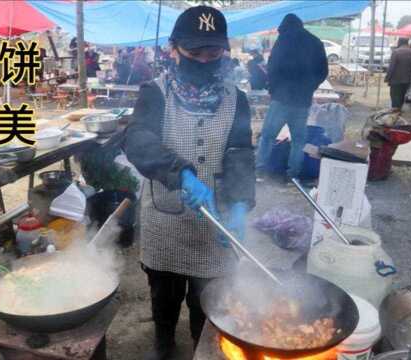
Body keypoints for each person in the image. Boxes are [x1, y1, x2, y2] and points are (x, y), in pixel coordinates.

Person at [123, 6, 255, 359]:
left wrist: (240, 205)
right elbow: (137, 139)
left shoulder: (235, 99)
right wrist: (181, 173)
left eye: (213, 53)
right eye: (194, 53)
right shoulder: (155, 92)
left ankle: (202, 349)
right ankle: (164, 345)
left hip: (216, 230)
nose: (204, 60)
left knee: (208, 310)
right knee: (163, 303)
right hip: (164, 225)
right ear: (173, 49)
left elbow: (241, 152)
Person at [256, 14, 328, 181]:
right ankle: (292, 175)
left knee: (267, 136)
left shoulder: (283, 40)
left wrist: (273, 89)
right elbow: (323, 71)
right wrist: (311, 87)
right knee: (298, 141)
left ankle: (260, 170)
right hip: (302, 100)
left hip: (281, 99)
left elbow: (272, 66)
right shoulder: (314, 42)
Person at [386, 37, 411, 110]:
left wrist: (387, 78)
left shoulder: (396, 52)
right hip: (407, 79)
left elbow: (391, 67)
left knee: (395, 95)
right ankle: (399, 109)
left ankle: (395, 111)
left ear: (400, 42)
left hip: (396, 80)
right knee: (402, 95)